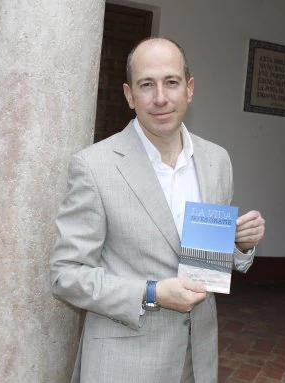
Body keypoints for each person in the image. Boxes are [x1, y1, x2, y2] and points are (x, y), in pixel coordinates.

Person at [50, 37, 265, 383]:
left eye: (171, 82)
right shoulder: (95, 166)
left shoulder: (216, 161)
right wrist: (152, 293)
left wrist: (239, 244)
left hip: (198, 360)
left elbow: (208, 261)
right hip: (125, 364)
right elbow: (66, 276)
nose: (160, 98)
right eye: (146, 85)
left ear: (189, 89)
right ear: (129, 95)